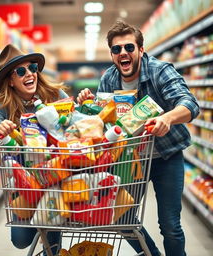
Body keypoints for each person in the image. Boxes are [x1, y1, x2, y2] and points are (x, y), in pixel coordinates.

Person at [77, 20, 200, 256]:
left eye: (129, 48)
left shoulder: (160, 71)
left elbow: (189, 104)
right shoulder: (109, 79)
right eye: (116, 49)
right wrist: (87, 106)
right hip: (130, 160)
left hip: (166, 156)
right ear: (112, 54)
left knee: (170, 226)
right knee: (122, 217)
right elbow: (104, 122)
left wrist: (168, 118)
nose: (123, 53)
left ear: (141, 50)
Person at [0, 44, 68, 255]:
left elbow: (77, 126)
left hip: (57, 178)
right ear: (11, 80)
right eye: (20, 71)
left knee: (51, 238)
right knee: (21, 239)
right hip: (25, 185)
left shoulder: (54, 95)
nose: (29, 74)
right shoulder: (2, 107)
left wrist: (81, 106)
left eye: (32, 68)